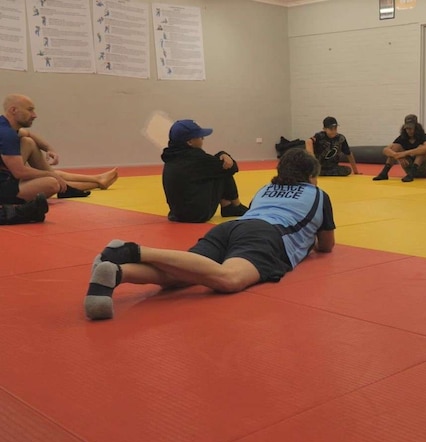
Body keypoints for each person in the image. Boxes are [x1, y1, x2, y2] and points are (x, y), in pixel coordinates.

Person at [85, 149, 336, 320]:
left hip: (231, 228)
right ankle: (135, 251)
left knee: (184, 275)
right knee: (229, 279)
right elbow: (326, 245)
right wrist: (309, 240)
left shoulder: (265, 188)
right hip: (267, 235)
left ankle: (117, 272)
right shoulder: (318, 195)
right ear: (312, 175)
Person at [0, 94, 118, 204]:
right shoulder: (6, 134)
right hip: (4, 186)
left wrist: (49, 149)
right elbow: (19, 172)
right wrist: (51, 175)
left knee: (28, 142)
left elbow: (28, 134)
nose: (34, 115)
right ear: (13, 110)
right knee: (52, 183)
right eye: (30, 110)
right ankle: (96, 182)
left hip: (7, 177)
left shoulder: (6, 125)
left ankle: (98, 179)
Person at [161, 119, 249, 222]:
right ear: (190, 142)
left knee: (216, 168)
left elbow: (211, 163)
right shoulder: (197, 159)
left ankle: (229, 206)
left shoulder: (171, 157)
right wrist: (224, 154)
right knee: (223, 169)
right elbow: (232, 168)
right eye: (200, 137)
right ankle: (235, 205)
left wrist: (221, 155)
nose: (203, 139)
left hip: (176, 214)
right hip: (197, 215)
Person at [373, 114, 426, 182]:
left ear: (416, 127)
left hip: (424, 169)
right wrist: (396, 155)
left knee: (421, 149)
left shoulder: (423, 136)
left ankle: (412, 173)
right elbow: (385, 150)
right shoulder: (402, 138)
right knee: (395, 147)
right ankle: (384, 173)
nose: (408, 131)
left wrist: (405, 153)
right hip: (408, 168)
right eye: (406, 129)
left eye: (410, 128)